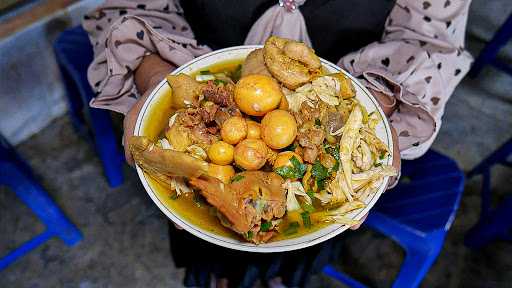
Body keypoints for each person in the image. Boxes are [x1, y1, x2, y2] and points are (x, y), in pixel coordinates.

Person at [82, 0, 472, 287]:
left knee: (307, 233)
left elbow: (431, 37)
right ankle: (222, 278)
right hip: (199, 74)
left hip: (352, 92)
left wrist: (366, 109)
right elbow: (126, 8)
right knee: (210, 229)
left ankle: (281, 278)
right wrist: (155, 81)